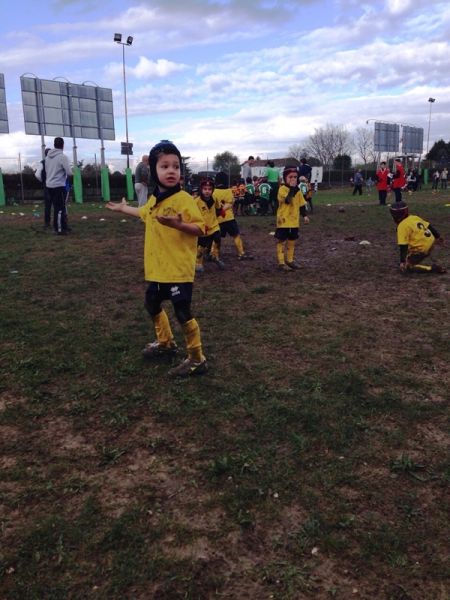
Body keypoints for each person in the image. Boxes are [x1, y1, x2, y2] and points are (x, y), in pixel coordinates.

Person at [106, 141, 208, 377]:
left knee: (182, 313)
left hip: (178, 270)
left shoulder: (184, 200)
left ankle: (196, 359)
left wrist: (180, 224)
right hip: (158, 270)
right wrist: (123, 210)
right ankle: (166, 343)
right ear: (154, 170)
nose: (171, 170)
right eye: (164, 166)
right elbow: (145, 213)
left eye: (175, 166)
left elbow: (202, 228)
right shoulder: (154, 200)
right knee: (151, 304)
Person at [389, 201, 446, 274]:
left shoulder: (402, 226)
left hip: (421, 249)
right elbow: (429, 226)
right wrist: (438, 237)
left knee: (407, 268)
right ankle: (414, 258)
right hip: (430, 243)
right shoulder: (414, 217)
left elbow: (403, 246)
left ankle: (432, 269)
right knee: (410, 253)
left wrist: (402, 262)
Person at [275, 167, 310, 271]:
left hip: (294, 221)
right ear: (285, 178)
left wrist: (305, 216)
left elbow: (302, 204)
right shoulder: (282, 189)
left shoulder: (298, 191)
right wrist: (292, 188)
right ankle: (281, 263)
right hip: (283, 221)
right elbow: (288, 200)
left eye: (295, 177)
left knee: (292, 240)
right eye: (290, 177)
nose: (293, 179)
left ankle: (290, 260)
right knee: (282, 240)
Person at [213, 171, 252, 260]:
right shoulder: (229, 191)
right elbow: (231, 202)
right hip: (229, 218)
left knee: (217, 238)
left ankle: (214, 254)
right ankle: (241, 253)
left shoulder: (214, 192)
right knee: (236, 235)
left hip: (219, 219)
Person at [195, 177, 225, 272]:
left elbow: (218, 208)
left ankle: (214, 255)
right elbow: (192, 216)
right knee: (201, 246)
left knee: (217, 238)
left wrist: (221, 211)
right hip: (203, 228)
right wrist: (200, 225)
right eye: (205, 189)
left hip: (214, 225)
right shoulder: (196, 202)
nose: (207, 191)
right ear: (201, 189)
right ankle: (198, 262)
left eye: (209, 189)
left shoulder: (214, 198)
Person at [45, 137, 72, 235]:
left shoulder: (47, 157)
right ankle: (59, 229)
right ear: (63, 145)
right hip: (59, 186)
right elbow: (69, 172)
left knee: (58, 207)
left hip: (49, 186)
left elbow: (48, 171)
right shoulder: (62, 157)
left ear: (54, 145)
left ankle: (63, 226)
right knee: (60, 208)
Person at [35, 148, 51, 228]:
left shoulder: (43, 162)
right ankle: (60, 222)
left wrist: (43, 181)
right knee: (58, 205)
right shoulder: (56, 162)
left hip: (47, 185)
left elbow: (37, 174)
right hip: (56, 185)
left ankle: (47, 223)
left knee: (47, 205)